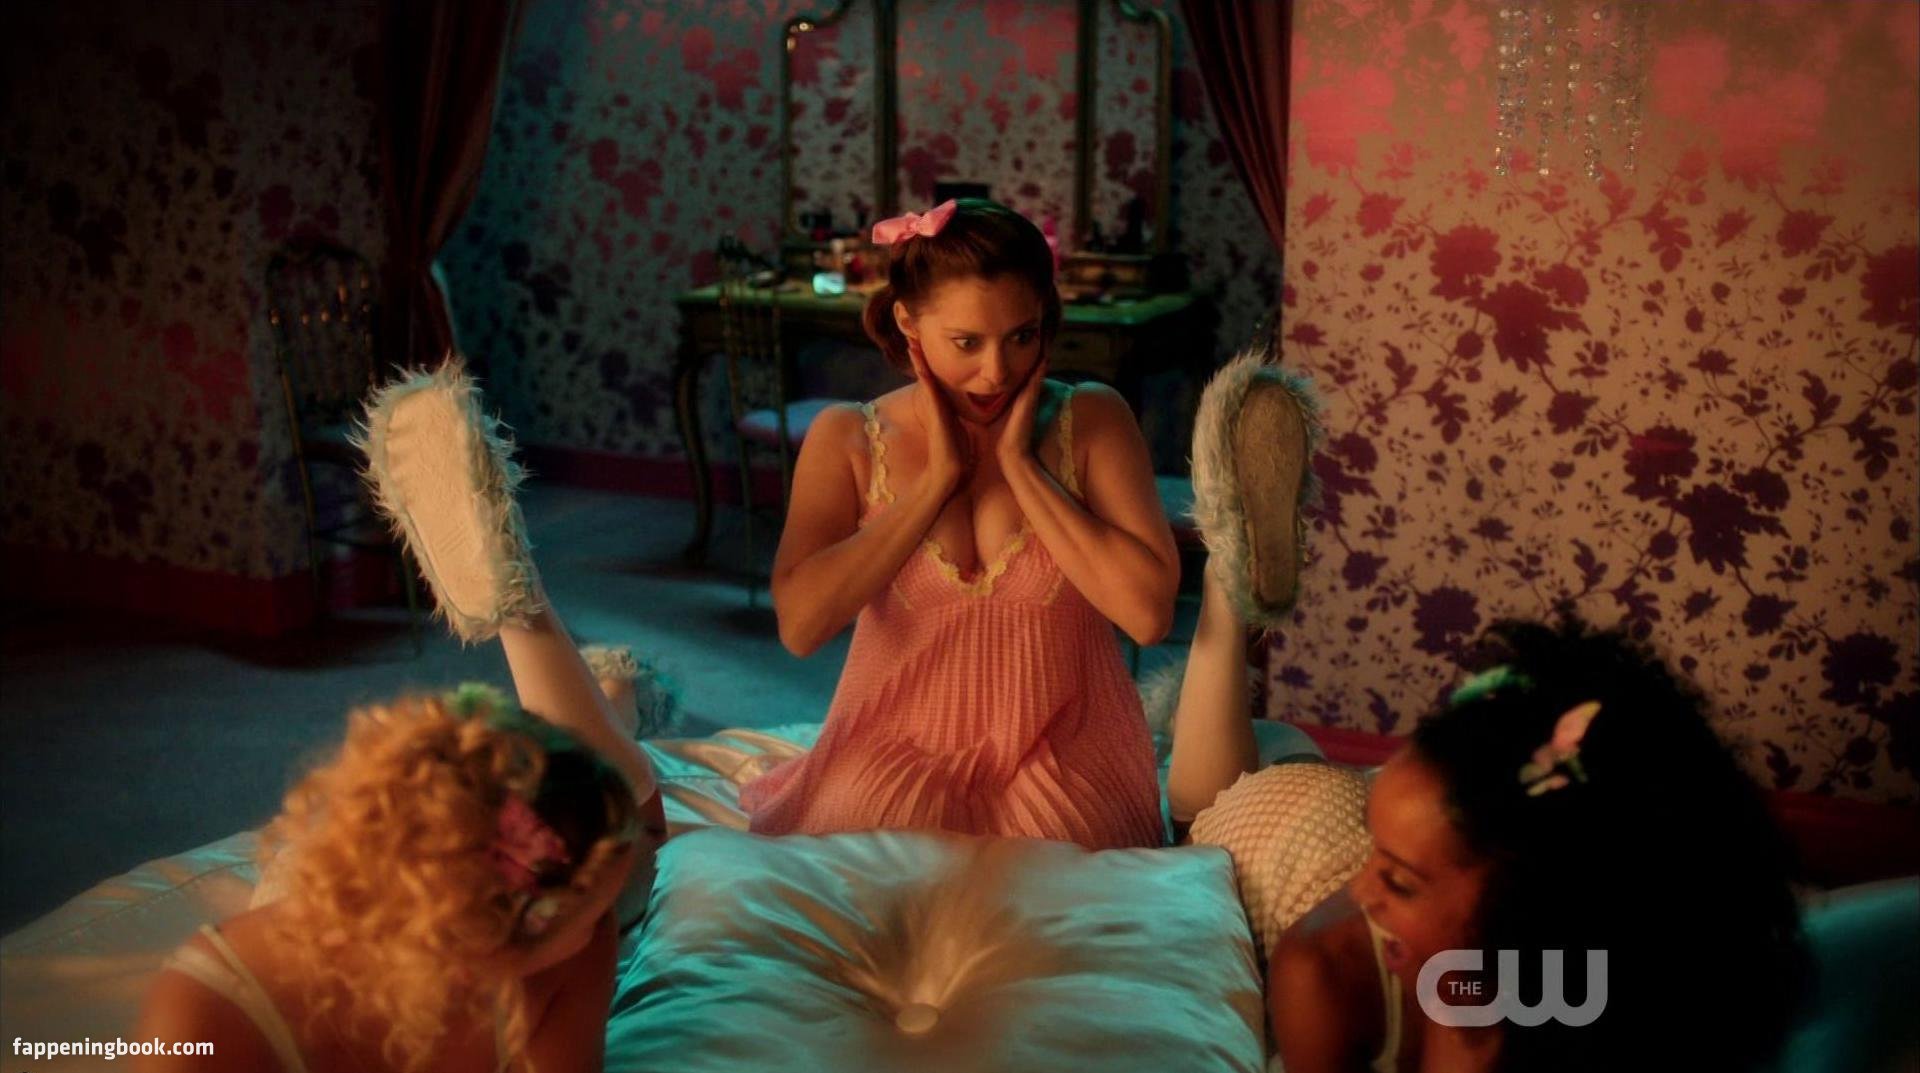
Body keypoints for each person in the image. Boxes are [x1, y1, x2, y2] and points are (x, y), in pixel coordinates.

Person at [137, 363, 670, 1073]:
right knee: (635, 829)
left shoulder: (573, 946)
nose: (597, 929)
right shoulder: (211, 1012)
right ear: (478, 950)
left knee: (627, 828)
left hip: (410, 865)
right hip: (382, 884)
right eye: (587, 918)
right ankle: (596, 677)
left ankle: (596, 677)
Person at [739, 198, 1182, 849]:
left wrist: (1024, 469)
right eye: (967, 343)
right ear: (908, 324)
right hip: (891, 749)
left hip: (1063, 758)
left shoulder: (1091, 420)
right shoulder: (848, 438)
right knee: (881, 856)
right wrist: (934, 484)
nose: (998, 372)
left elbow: (1148, 618)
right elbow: (802, 627)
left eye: (1022, 336)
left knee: (1045, 863)